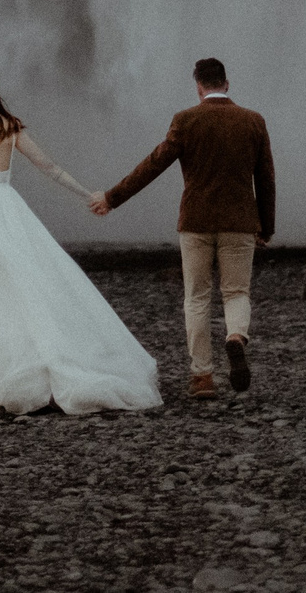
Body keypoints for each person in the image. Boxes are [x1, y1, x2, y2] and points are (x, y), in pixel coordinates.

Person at [0, 65, 162, 414]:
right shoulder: (10, 126)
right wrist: (88, 194)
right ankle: (33, 367)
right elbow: (50, 167)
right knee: (20, 288)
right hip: (7, 207)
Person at [90, 56, 275, 399]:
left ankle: (202, 377)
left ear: (199, 86)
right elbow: (265, 178)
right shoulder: (253, 121)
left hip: (196, 223)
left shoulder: (186, 120)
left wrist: (113, 198)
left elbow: (153, 165)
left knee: (197, 297)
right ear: (227, 84)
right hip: (239, 222)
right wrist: (267, 225)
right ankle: (235, 337)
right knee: (236, 292)